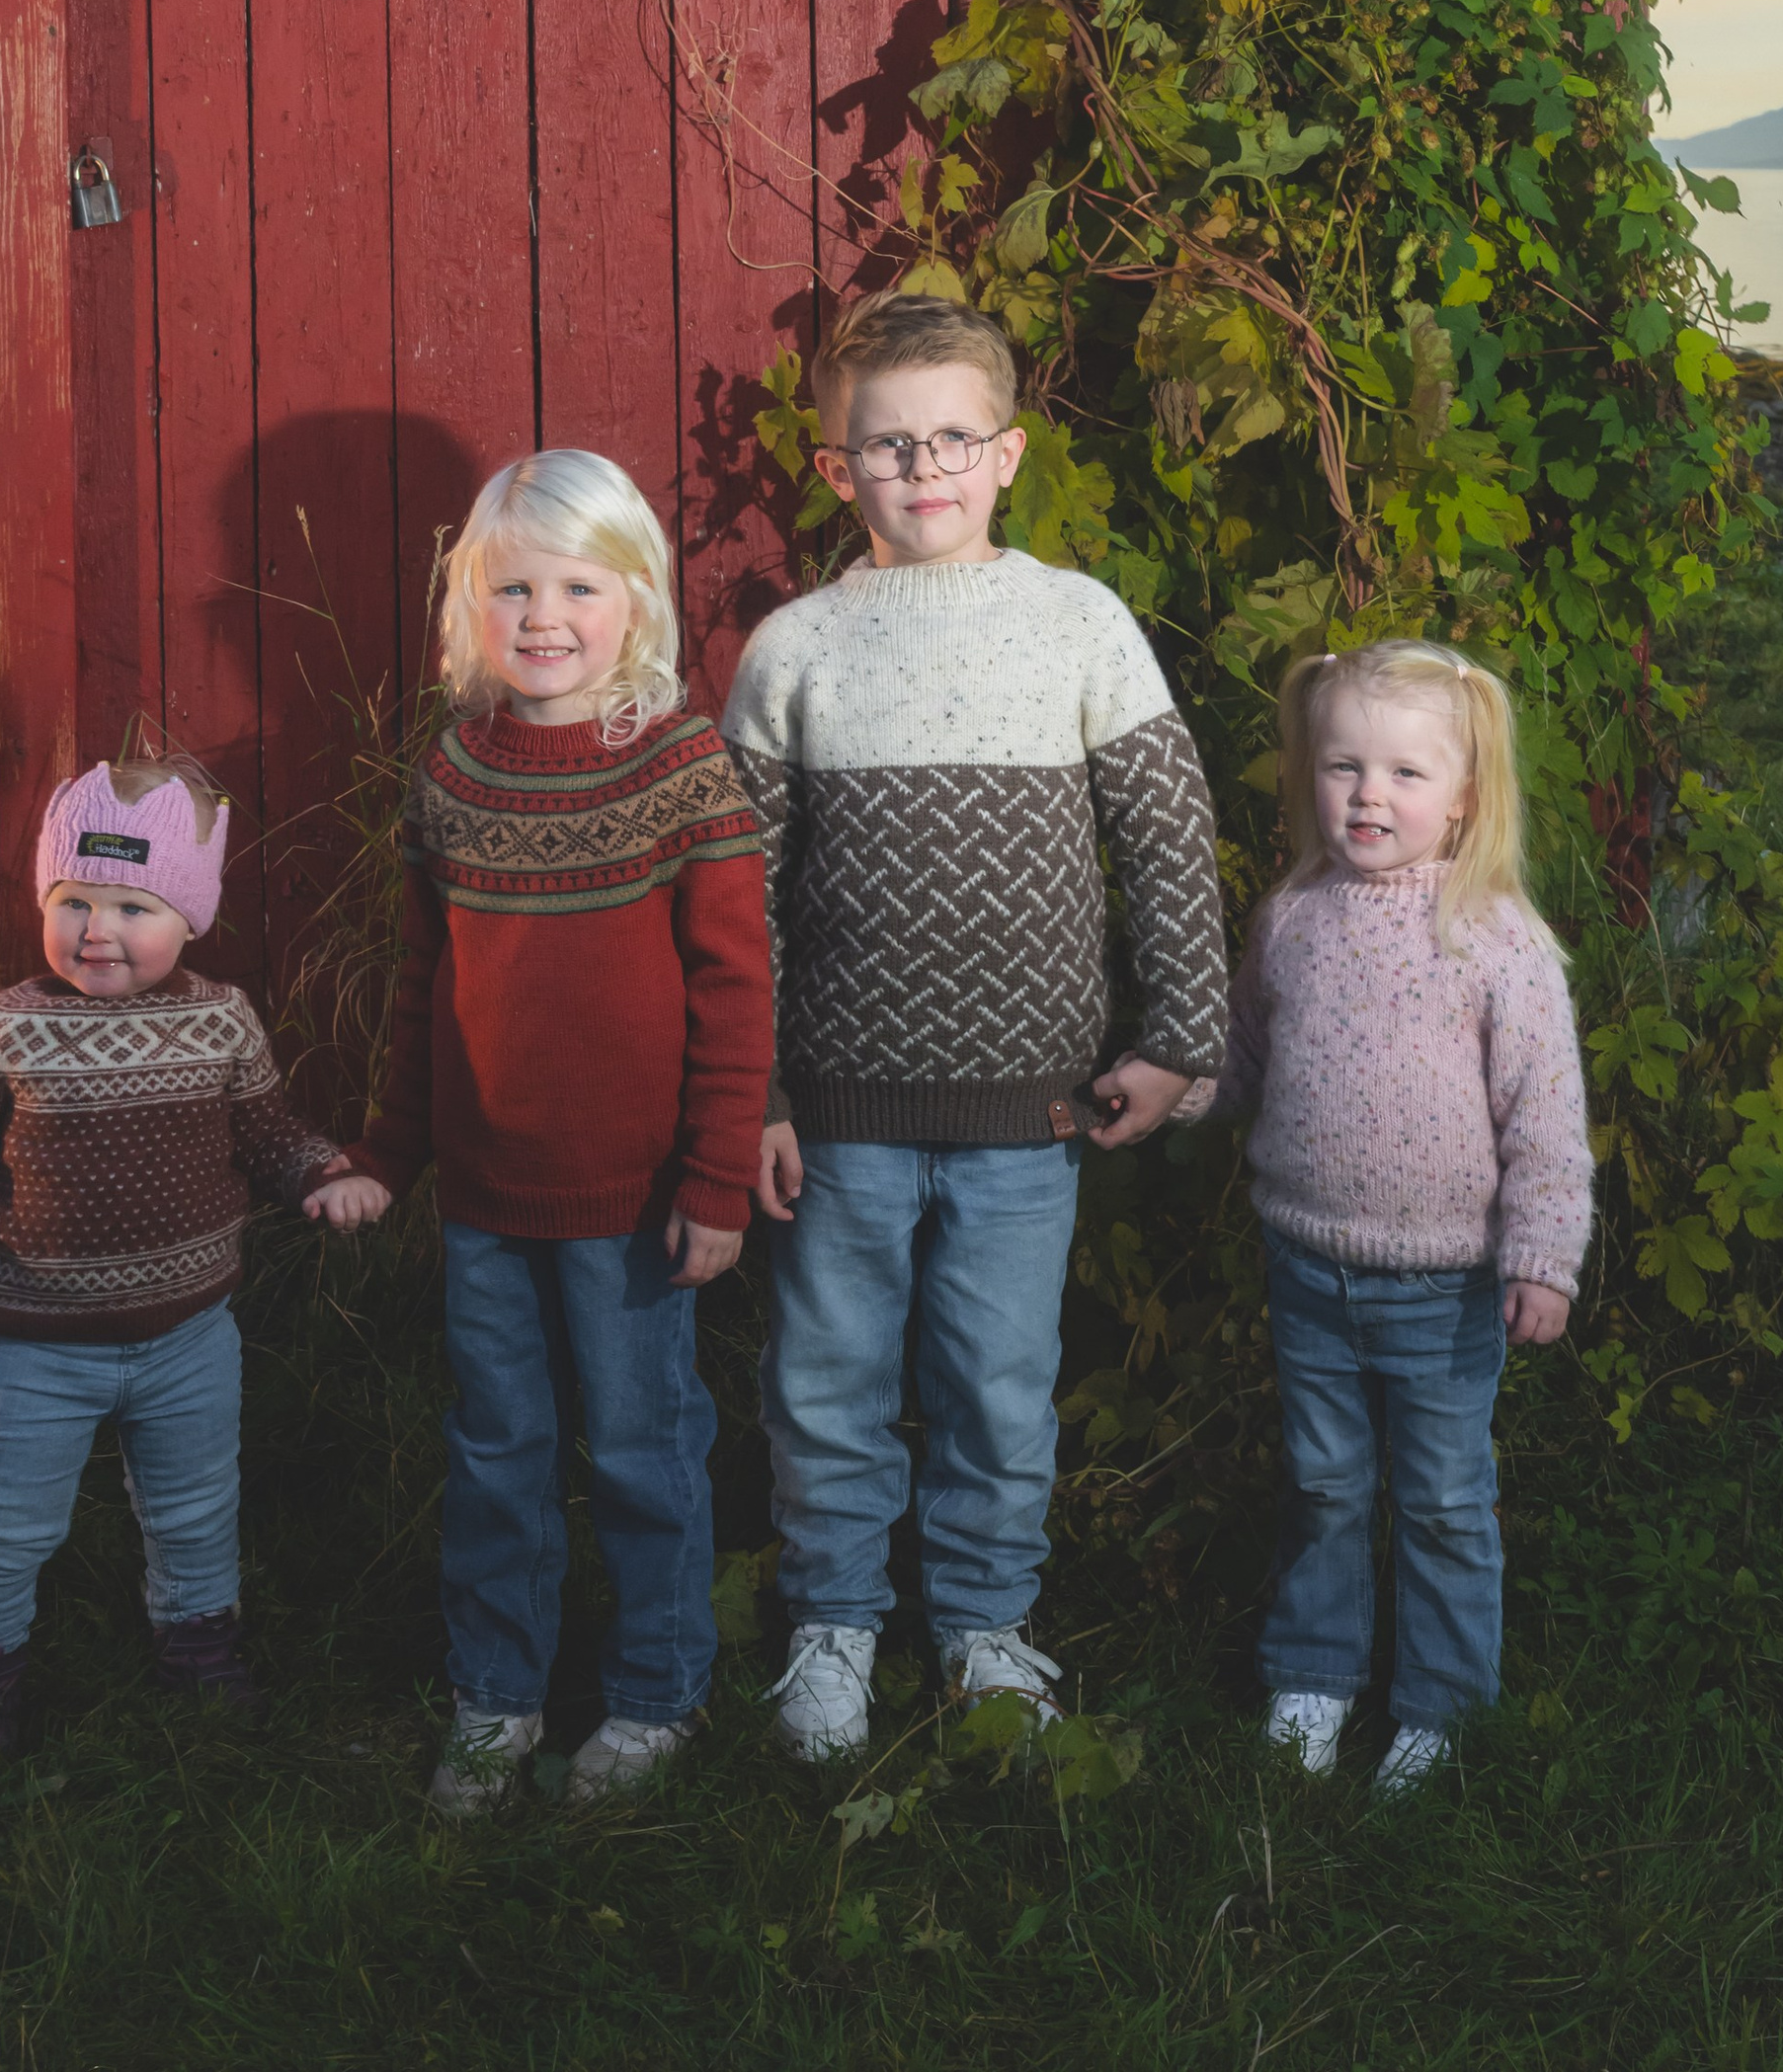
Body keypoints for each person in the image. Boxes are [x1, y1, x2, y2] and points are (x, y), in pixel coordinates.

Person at [723, 291, 1231, 1762]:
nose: (923, 466)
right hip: (839, 1111)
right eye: (888, 444)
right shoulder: (796, 646)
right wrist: (750, 1092)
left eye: (953, 437)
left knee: (999, 1383)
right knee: (826, 1381)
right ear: (836, 469)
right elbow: (735, 891)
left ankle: (984, 1625)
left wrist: (1182, 1029)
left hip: (1039, 1112)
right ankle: (831, 1623)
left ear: (1009, 452)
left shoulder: (1078, 622)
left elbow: (1169, 831)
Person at [347, 449, 772, 1818]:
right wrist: (383, 1155)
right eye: (511, 586)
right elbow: (425, 988)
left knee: (645, 1448)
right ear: (470, 603)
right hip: (484, 1195)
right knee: (498, 1450)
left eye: (578, 587)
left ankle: (656, 1693)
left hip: (639, 1200)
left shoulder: (677, 766)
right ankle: (496, 1697)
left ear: (635, 602)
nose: (543, 616)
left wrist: (717, 1178)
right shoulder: (457, 771)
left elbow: (734, 984)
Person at [0, 756, 386, 1762]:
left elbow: (266, 1131)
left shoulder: (222, 1017)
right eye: (72, 899)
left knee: (197, 1509)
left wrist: (324, 1171)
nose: (95, 928)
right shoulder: (7, 1027)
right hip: (34, 1346)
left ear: (189, 914)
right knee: (3, 1524)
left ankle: (198, 1650)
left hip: (191, 1335)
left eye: (131, 903)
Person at [1224, 637, 1593, 1798]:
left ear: (1466, 795)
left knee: (1439, 1498)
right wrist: (1171, 1088)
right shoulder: (1290, 914)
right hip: (1306, 1263)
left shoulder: (1495, 938)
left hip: (1444, 1285)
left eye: (1404, 773)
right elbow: (1242, 1059)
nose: (1368, 796)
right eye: (1342, 767)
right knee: (1323, 1482)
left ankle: (1438, 1704)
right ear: (1307, 775)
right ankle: (1313, 1676)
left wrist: (1543, 1255)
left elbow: (1546, 1116)